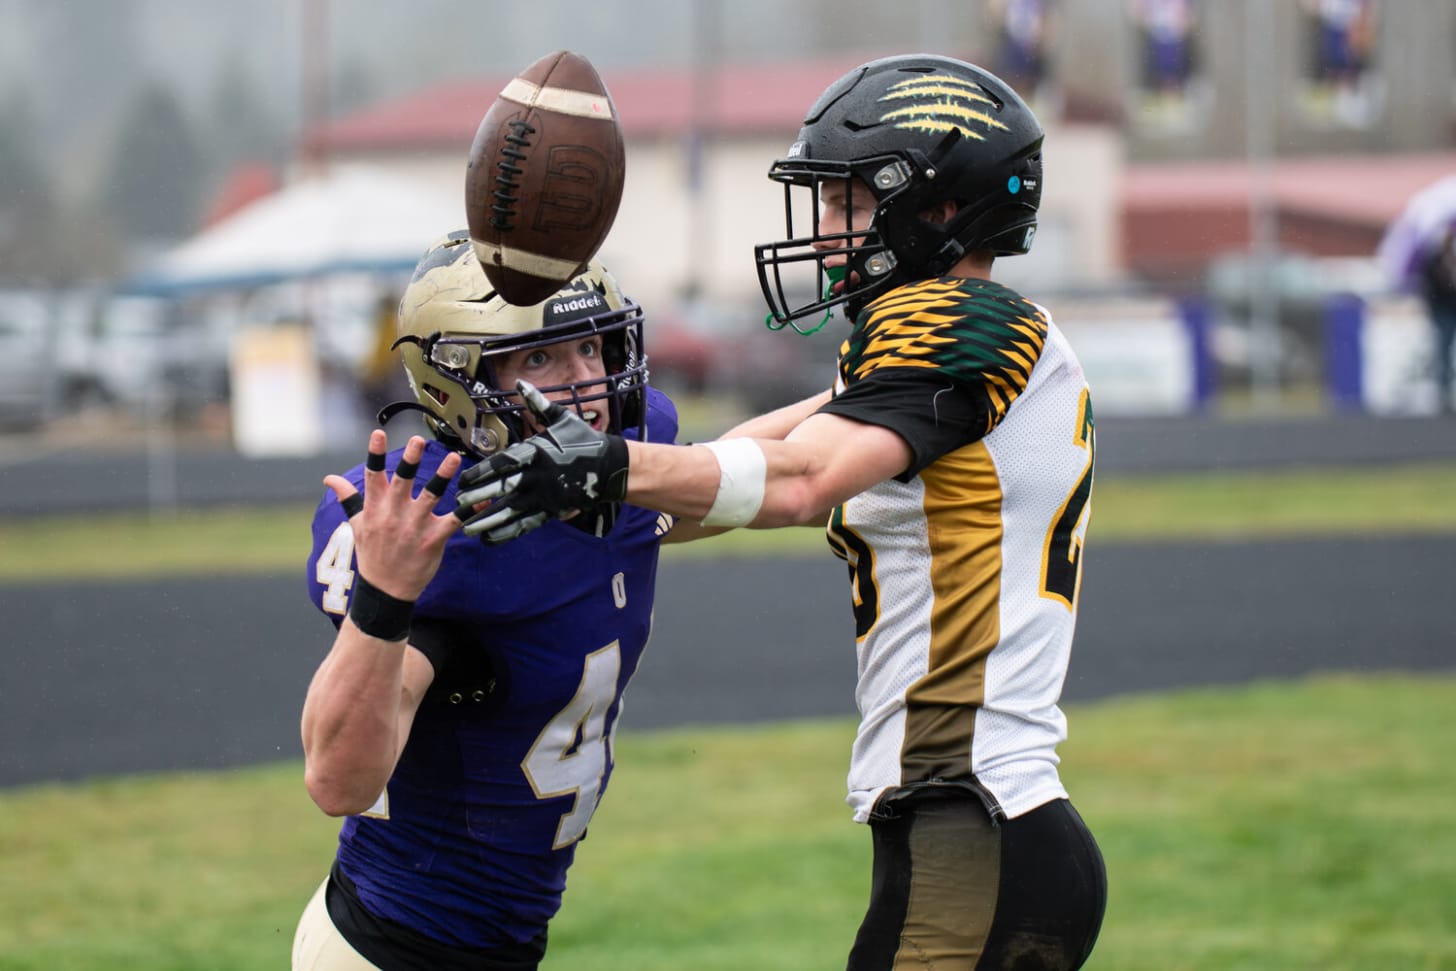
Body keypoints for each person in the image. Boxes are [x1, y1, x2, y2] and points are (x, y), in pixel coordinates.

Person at [456, 54, 1107, 971]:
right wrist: (550, 498)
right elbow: (755, 460)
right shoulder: (951, 348)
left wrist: (604, 462)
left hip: (976, 825)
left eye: (848, 201)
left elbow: (800, 478)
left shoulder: (963, 322)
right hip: (975, 832)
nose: (829, 229)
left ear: (941, 210)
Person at [292, 230, 691, 970]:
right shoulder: (448, 530)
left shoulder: (613, 457)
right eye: (538, 357)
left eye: (591, 347)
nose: (586, 387)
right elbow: (336, 779)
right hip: (395, 948)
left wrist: (865, 409)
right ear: (456, 381)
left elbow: (715, 486)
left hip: (501, 942)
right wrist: (386, 593)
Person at [1417, 224, 1456, 413]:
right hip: (1443, 311)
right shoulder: (1435, 261)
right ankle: (1444, 393)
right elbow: (1430, 287)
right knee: (1444, 351)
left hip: (1450, 308)